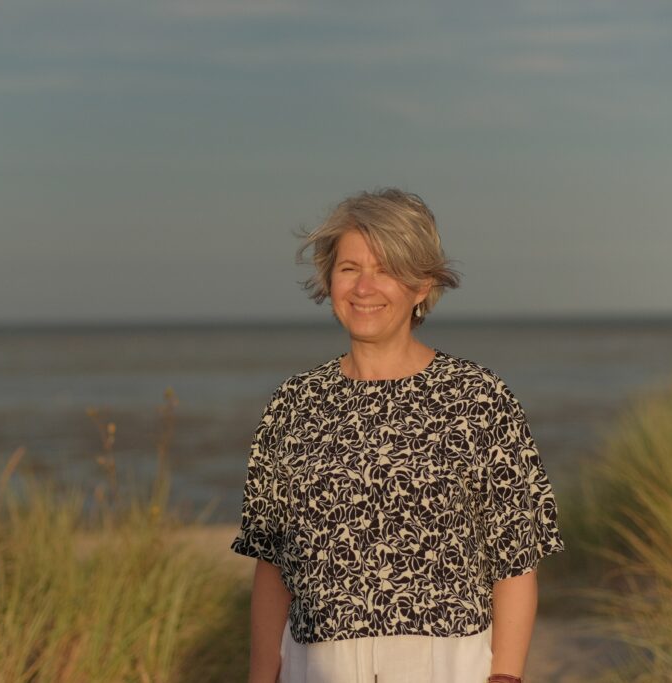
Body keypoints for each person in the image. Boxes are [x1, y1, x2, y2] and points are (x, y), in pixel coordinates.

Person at [231, 188, 565, 683]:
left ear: (422, 285)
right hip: (315, 664)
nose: (364, 287)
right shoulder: (294, 403)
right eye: (349, 268)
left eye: (386, 269)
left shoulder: (477, 397)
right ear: (329, 279)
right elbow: (272, 564)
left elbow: (515, 558)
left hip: (448, 664)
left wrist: (506, 677)